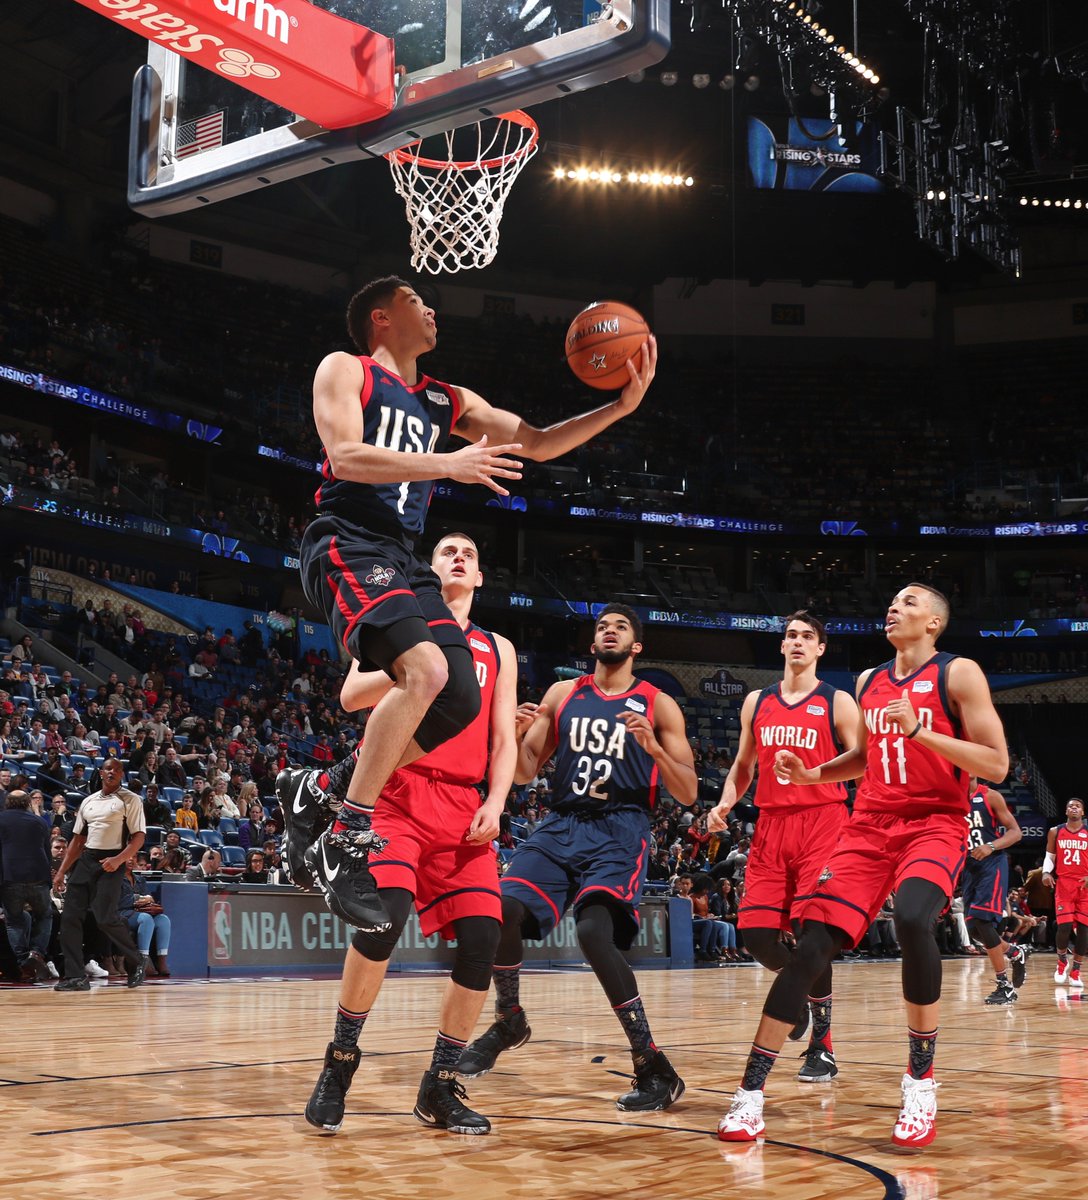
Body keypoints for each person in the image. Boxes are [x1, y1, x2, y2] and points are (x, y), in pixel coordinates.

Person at [280, 276, 656, 934]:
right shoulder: (347, 369)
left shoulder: (441, 398)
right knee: (424, 672)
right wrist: (446, 466)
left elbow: (535, 442)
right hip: (347, 537)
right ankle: (347, 836)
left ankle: (320, 788)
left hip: (398, 553)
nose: (431, 309)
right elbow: (343, 456)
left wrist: (621, 408)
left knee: (458, 693)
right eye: (416, 301)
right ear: (382, 318)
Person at [717, 583, 1007, 1149]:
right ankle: (750, 1095)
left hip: (933, 823)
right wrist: (812, 775)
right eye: (893, 599)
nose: (895, 606)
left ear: (934, 624)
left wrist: (921, 731)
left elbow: (995, 764)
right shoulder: (869, 681)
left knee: (915, 918)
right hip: (868, 826)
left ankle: (920, 1082)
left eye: (910, 602)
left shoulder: (959, 673)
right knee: (809, 948)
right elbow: (864, 759)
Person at [302, 534, 517, 1136]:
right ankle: (340, 1062)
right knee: (381, 918)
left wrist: (498, 802)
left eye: (469, 554)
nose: (457, 558)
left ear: (479, 577)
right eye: (446, 550)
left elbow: (505, 739)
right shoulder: (399, 617)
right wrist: (420, 667)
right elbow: (349, 697)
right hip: (396, 789)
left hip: (462, 807)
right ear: (428, 568)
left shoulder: (499, 648)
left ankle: (439, 1086)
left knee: (482, 938)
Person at [457, 603, 696, 1111]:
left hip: (621, 828)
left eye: (621, 627)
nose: (609, 631)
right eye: (602, 627)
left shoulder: (659, 705)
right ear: (593, 645)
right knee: (499, 908)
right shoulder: (563, 695)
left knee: (592, 933)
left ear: (636, 647)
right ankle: (510, 1018)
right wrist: (520, 734)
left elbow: (690, 791)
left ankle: (652, 1064)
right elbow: (523, 773)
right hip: (561, 824)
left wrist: (654, 749)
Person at [708, 611, 858, 1083]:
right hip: (772, 825)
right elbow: (742, 764)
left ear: (820, 649)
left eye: (807, 636)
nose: (797, 642)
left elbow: (863, 762)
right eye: (790, 635)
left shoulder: (837, 701)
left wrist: (815, 774)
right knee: (754, 934)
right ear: (781, 646)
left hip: (823, 821)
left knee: (815, 936)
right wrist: (726, 802)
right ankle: (794, 1000)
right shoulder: (757, 701)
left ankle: (823, 1046)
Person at [52, 759, 148, 991]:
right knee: (70, 918)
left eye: (116, 769)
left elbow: (139, 837)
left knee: (105, 918)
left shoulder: (131, 800)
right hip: (86, 861)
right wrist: (62, 872)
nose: (111, 772)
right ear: (101, 773)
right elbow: (78, 841)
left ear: (122, 773)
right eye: (107, 769)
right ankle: (76, 976)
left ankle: (136, 960)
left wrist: (119, 860)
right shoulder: (88, 801)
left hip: (112, 861)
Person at [961, 778, 1027, 1004]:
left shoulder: (989, 796)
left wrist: (990, 846)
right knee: (974, 930)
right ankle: (1015, 952)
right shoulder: (951, 799)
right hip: (969, 868)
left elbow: (1015, 832)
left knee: (982, 922)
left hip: (991, 863)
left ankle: (1005, 986)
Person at [0, 790, 54, 982]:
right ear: (26, 803)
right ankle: (37, 954)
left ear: (8, 803)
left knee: (14, 921)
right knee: (45, 915)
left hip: (10, 878)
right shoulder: (39, 821)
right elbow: (47, 852)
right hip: (38, 877)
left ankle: (24, 962)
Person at [1043, 797, 1088, 988]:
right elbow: (1050, 856)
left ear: (1083, 812)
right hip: (1065, 884)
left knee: (1084, 931)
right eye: (1070, 806)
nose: (1074, 808)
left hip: (1085, 886)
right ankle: (1062, 961)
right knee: (1065, 926)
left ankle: (1076, 971)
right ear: (1066, 811)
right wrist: (1046, 872)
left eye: (1078, 806)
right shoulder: (1056, 831)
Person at [118, 862, 171, 977]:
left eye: (134, 857)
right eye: (128, 857)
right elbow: (119, 901)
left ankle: (162, 961)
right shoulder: (115, 879)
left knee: (163, 920)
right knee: (146, 919)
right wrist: (138, 898)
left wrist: (143, 899)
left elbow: (149, 898)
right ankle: (142, 961)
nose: (131, 860)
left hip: (140, 911)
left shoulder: (140, 879)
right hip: (123, 913)